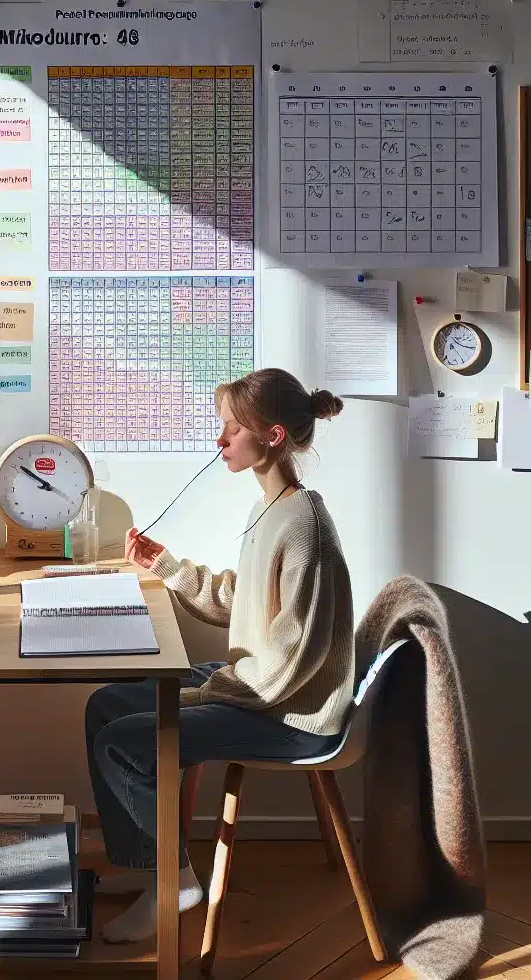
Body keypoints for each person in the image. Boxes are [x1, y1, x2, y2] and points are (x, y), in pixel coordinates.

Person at [84, 368, 355, 943]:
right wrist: (166, 567)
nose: (220, 442)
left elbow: (290, 659)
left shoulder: (303, 524)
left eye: (231, 430)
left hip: (287, 712)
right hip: (256, 686)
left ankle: (172, 881)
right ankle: (145, 866)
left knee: (124, 741)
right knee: (106, 704)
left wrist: (206, 691)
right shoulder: (270, 508)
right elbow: (242, 602)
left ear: (274, 435)